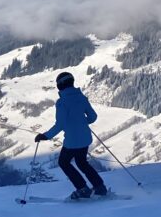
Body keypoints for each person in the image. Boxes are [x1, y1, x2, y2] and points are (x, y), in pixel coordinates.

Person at [35, 72, 108, 200]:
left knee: (63, 162)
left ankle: (82, 189)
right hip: (85, 139)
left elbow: (60, 124)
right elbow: (93, 117)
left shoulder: (62, 102)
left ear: (61, 85)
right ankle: (100, 187)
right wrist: (82, 121)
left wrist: (45, 136)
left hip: (72, 142)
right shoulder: (81, 97)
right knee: (82, 163)